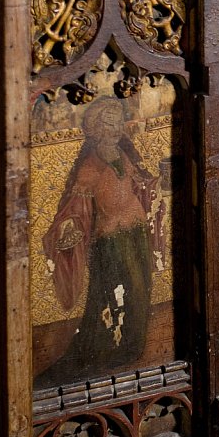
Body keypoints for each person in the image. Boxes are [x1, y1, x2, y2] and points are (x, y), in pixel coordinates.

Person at [36, 97, 161, 388]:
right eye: (109, 123)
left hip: (136, 232)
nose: (116, 127)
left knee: (140, 289)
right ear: (96, 127)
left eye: (118, 122)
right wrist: (69, 227)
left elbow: (139, 184)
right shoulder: (90, 165)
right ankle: (111, 349)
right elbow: (75, 207)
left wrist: (156, 185)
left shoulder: (122, 153)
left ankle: (133, 346)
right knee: (112, 294)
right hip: (111, 240)